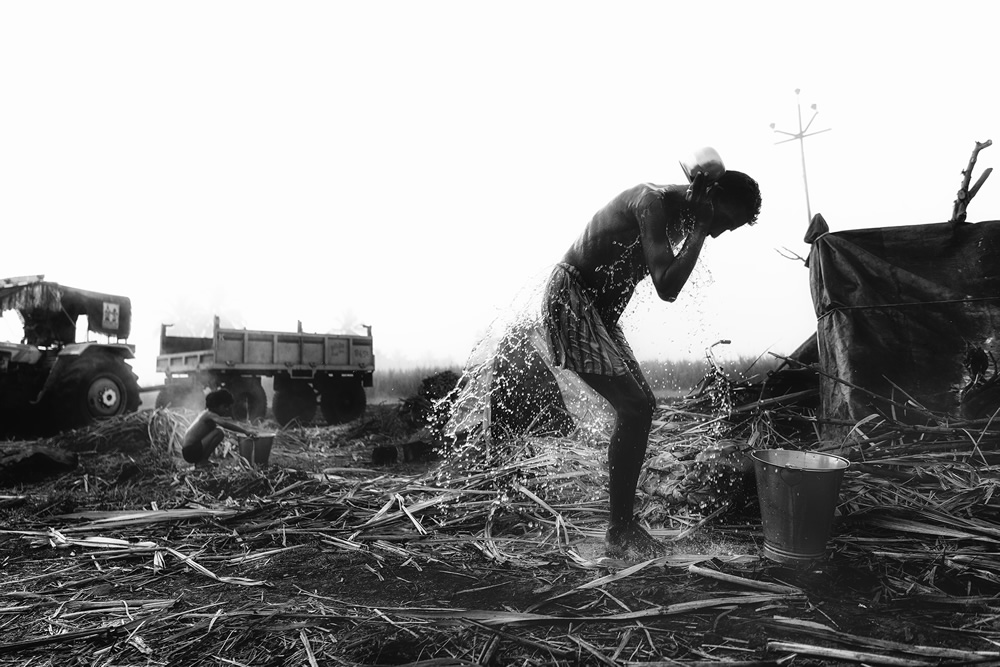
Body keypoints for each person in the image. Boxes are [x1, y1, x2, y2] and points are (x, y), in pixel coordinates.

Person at [544, 168, 762, 559]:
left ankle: (623, 524)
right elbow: (667, 286)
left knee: (643, 405)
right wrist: (699, 230)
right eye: (725, 221)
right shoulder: (652, 202)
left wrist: (699, 221)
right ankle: (619, 529)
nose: (720, 231)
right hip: (572, 296)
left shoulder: (682, 212)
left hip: (598, 313)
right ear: (711, 196)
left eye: (729, 228)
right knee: (635, 406)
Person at [181, 389, 256, 468]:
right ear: (216, 406)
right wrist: (245, 431)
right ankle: (202, 461)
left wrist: (246, 427)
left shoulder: (208, 413)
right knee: (219, 432)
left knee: (219, 430)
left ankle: (202, 461)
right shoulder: (209, 414)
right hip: (190, 451)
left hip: (190, 450)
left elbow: (228, 421)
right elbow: (224, 424)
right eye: (224, 407)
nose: (227, 409)